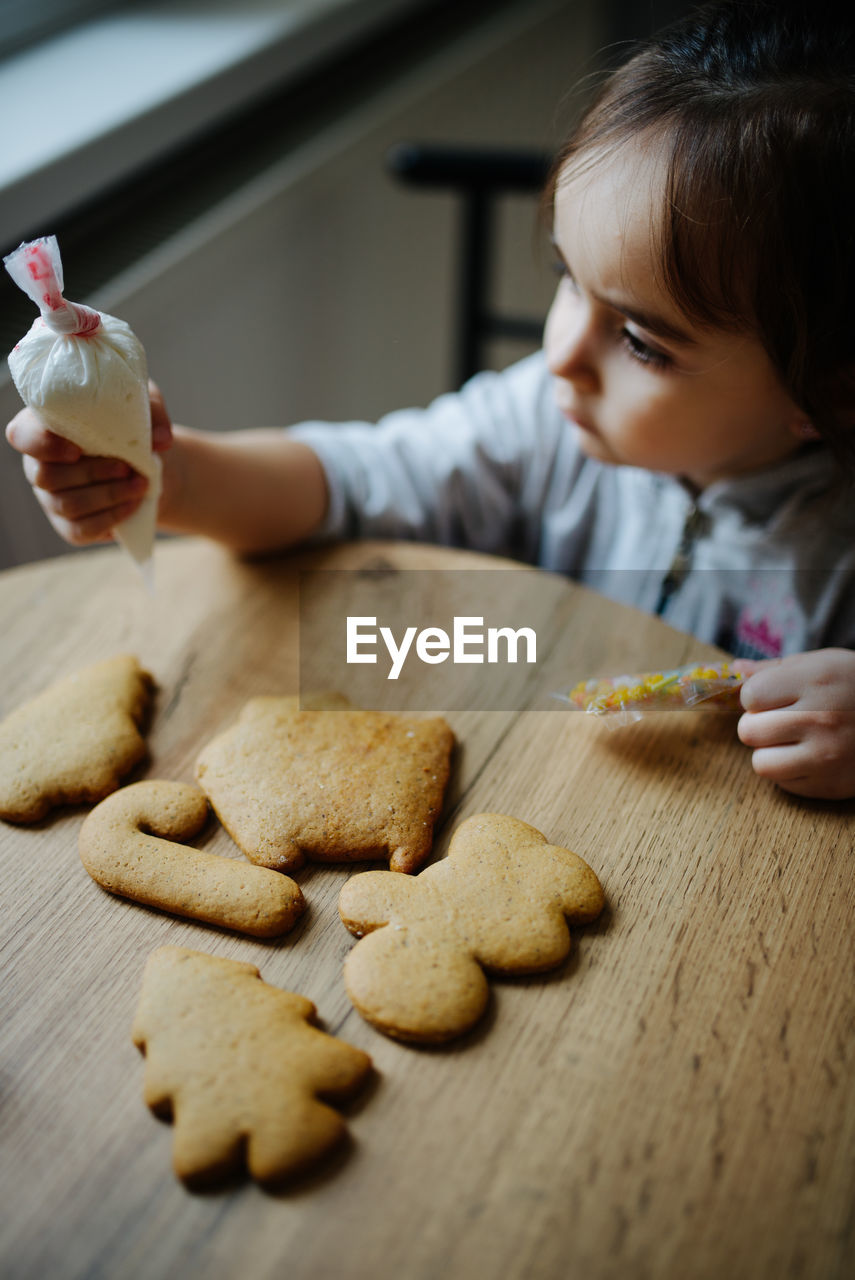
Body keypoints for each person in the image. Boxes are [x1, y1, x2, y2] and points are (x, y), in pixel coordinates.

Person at [7, 0, 855, 799]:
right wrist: (178, 476)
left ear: (825, 392)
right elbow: (352, 482)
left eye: (640, 341)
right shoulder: (542, 421)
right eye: (567, 279)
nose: (558, 354)